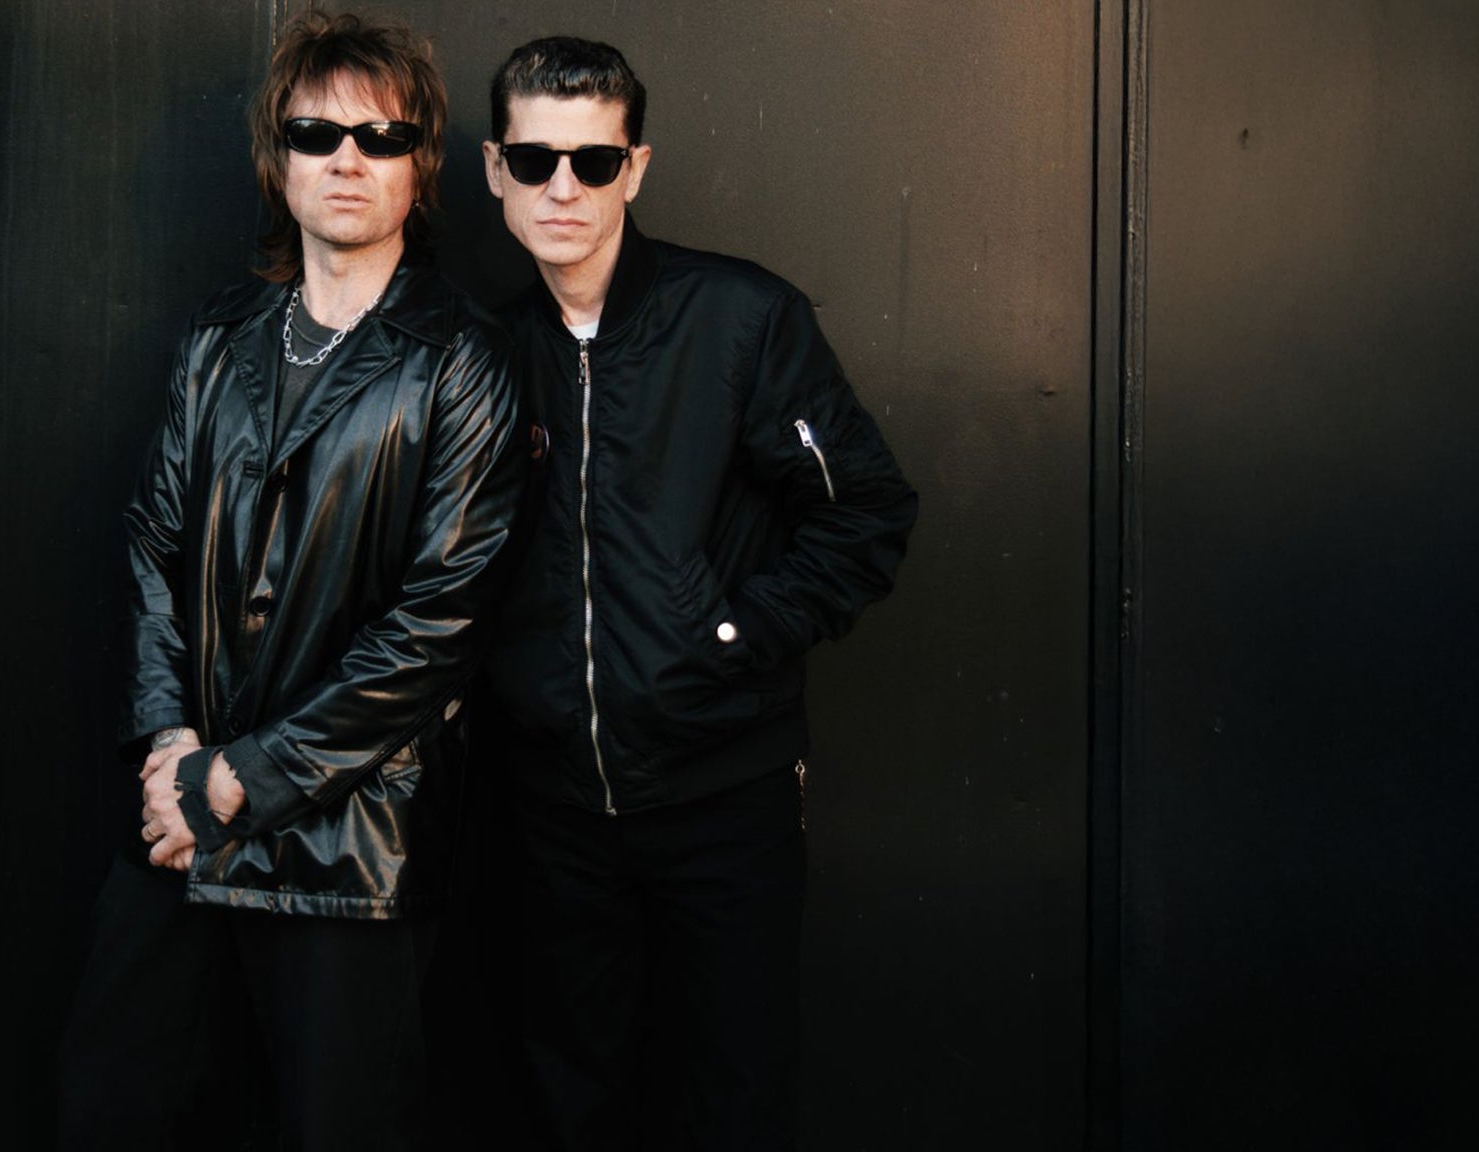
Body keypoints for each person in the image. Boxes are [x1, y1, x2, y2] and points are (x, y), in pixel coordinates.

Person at [57, 13, 526, 1150]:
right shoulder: (220, 339)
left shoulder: (462, 361)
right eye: (318, 134)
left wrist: (242, 778)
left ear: (420, 165)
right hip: (181, 828)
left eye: (381, 136)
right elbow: (154, 544)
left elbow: (438, 624)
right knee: (115, 1111)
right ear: (279, 159)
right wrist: (172, 744)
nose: (347, 160)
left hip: (348, 849)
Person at [477, 36, 918, 1150]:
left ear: (634, 168)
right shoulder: (485, 351)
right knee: (563, 1101)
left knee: (730, 1098)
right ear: (493, 170)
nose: (562, 188)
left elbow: (865, 511)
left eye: (592, 161)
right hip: (550, 812)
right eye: (533, 162)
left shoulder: (739, 318)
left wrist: (730, 633)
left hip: (722, 796)